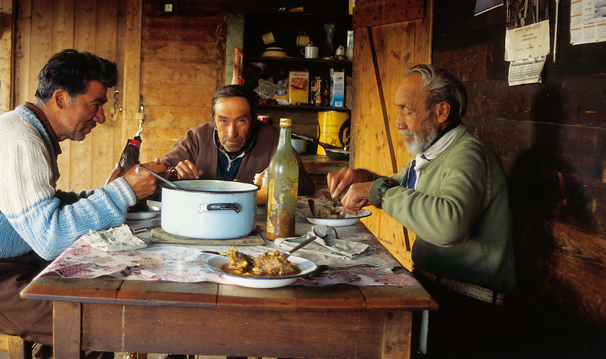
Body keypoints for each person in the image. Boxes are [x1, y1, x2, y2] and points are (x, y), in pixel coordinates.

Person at [0, 49, 166, 359]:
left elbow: (49, 208)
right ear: (62, 98)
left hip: (4, 266)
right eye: (95, 105)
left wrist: (115, 192)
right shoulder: (19, 141)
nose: (101, 117)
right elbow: (50, 237)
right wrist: (122, 192)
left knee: (100, 284)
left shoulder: (27, 131)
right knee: (93, 324)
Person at [328, 64, 515, 357]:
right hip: (438, 292)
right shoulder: (433, 153)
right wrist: (363, 177)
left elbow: (447, 225)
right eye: (398, 110)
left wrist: (378, 190)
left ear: (441, 112)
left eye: (407, 110)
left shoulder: (468, 156)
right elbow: (398, 187)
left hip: (468, 309)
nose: (399, 122)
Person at [161, 84, 314, 195]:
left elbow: (307, 186)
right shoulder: (196, 138)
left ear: (253, 121)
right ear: (213, 122)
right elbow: (158, 174)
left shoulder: (274, 139)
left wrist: (280, 178)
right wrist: (174, 174)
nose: (232, 132)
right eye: (223, 121)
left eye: (241, 121)